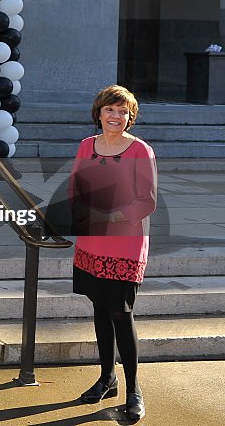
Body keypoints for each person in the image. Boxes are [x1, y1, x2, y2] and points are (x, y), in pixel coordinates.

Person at [70, 85, 156, 423]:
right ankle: (107, 378)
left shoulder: (140, 151)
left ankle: (134, 389)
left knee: (121, 313)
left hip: (125, 244)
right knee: (99, 311)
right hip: (92, 242)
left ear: (130, 117)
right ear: (100, 112)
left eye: (122, 111)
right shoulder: (85, 146)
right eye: (110, 110)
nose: (115, 116)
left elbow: (147, 201)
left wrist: (110, 216)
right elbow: (74, 187)